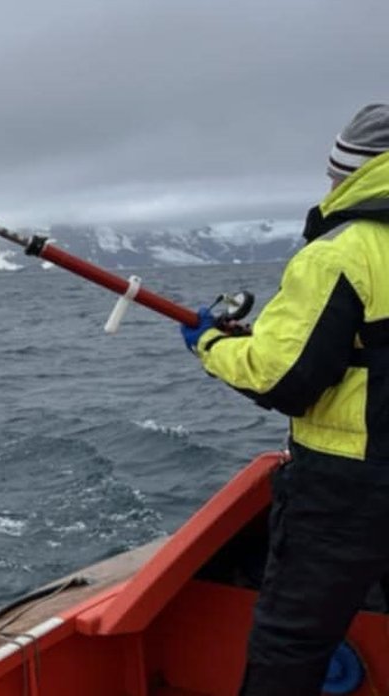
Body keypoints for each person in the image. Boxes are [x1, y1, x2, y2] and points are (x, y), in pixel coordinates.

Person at [179, 103, 389, 695]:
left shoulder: (339, 252)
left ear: (353, 172)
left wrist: (211, 344)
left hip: (349, 489)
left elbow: (282, 378)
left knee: (291, 641)